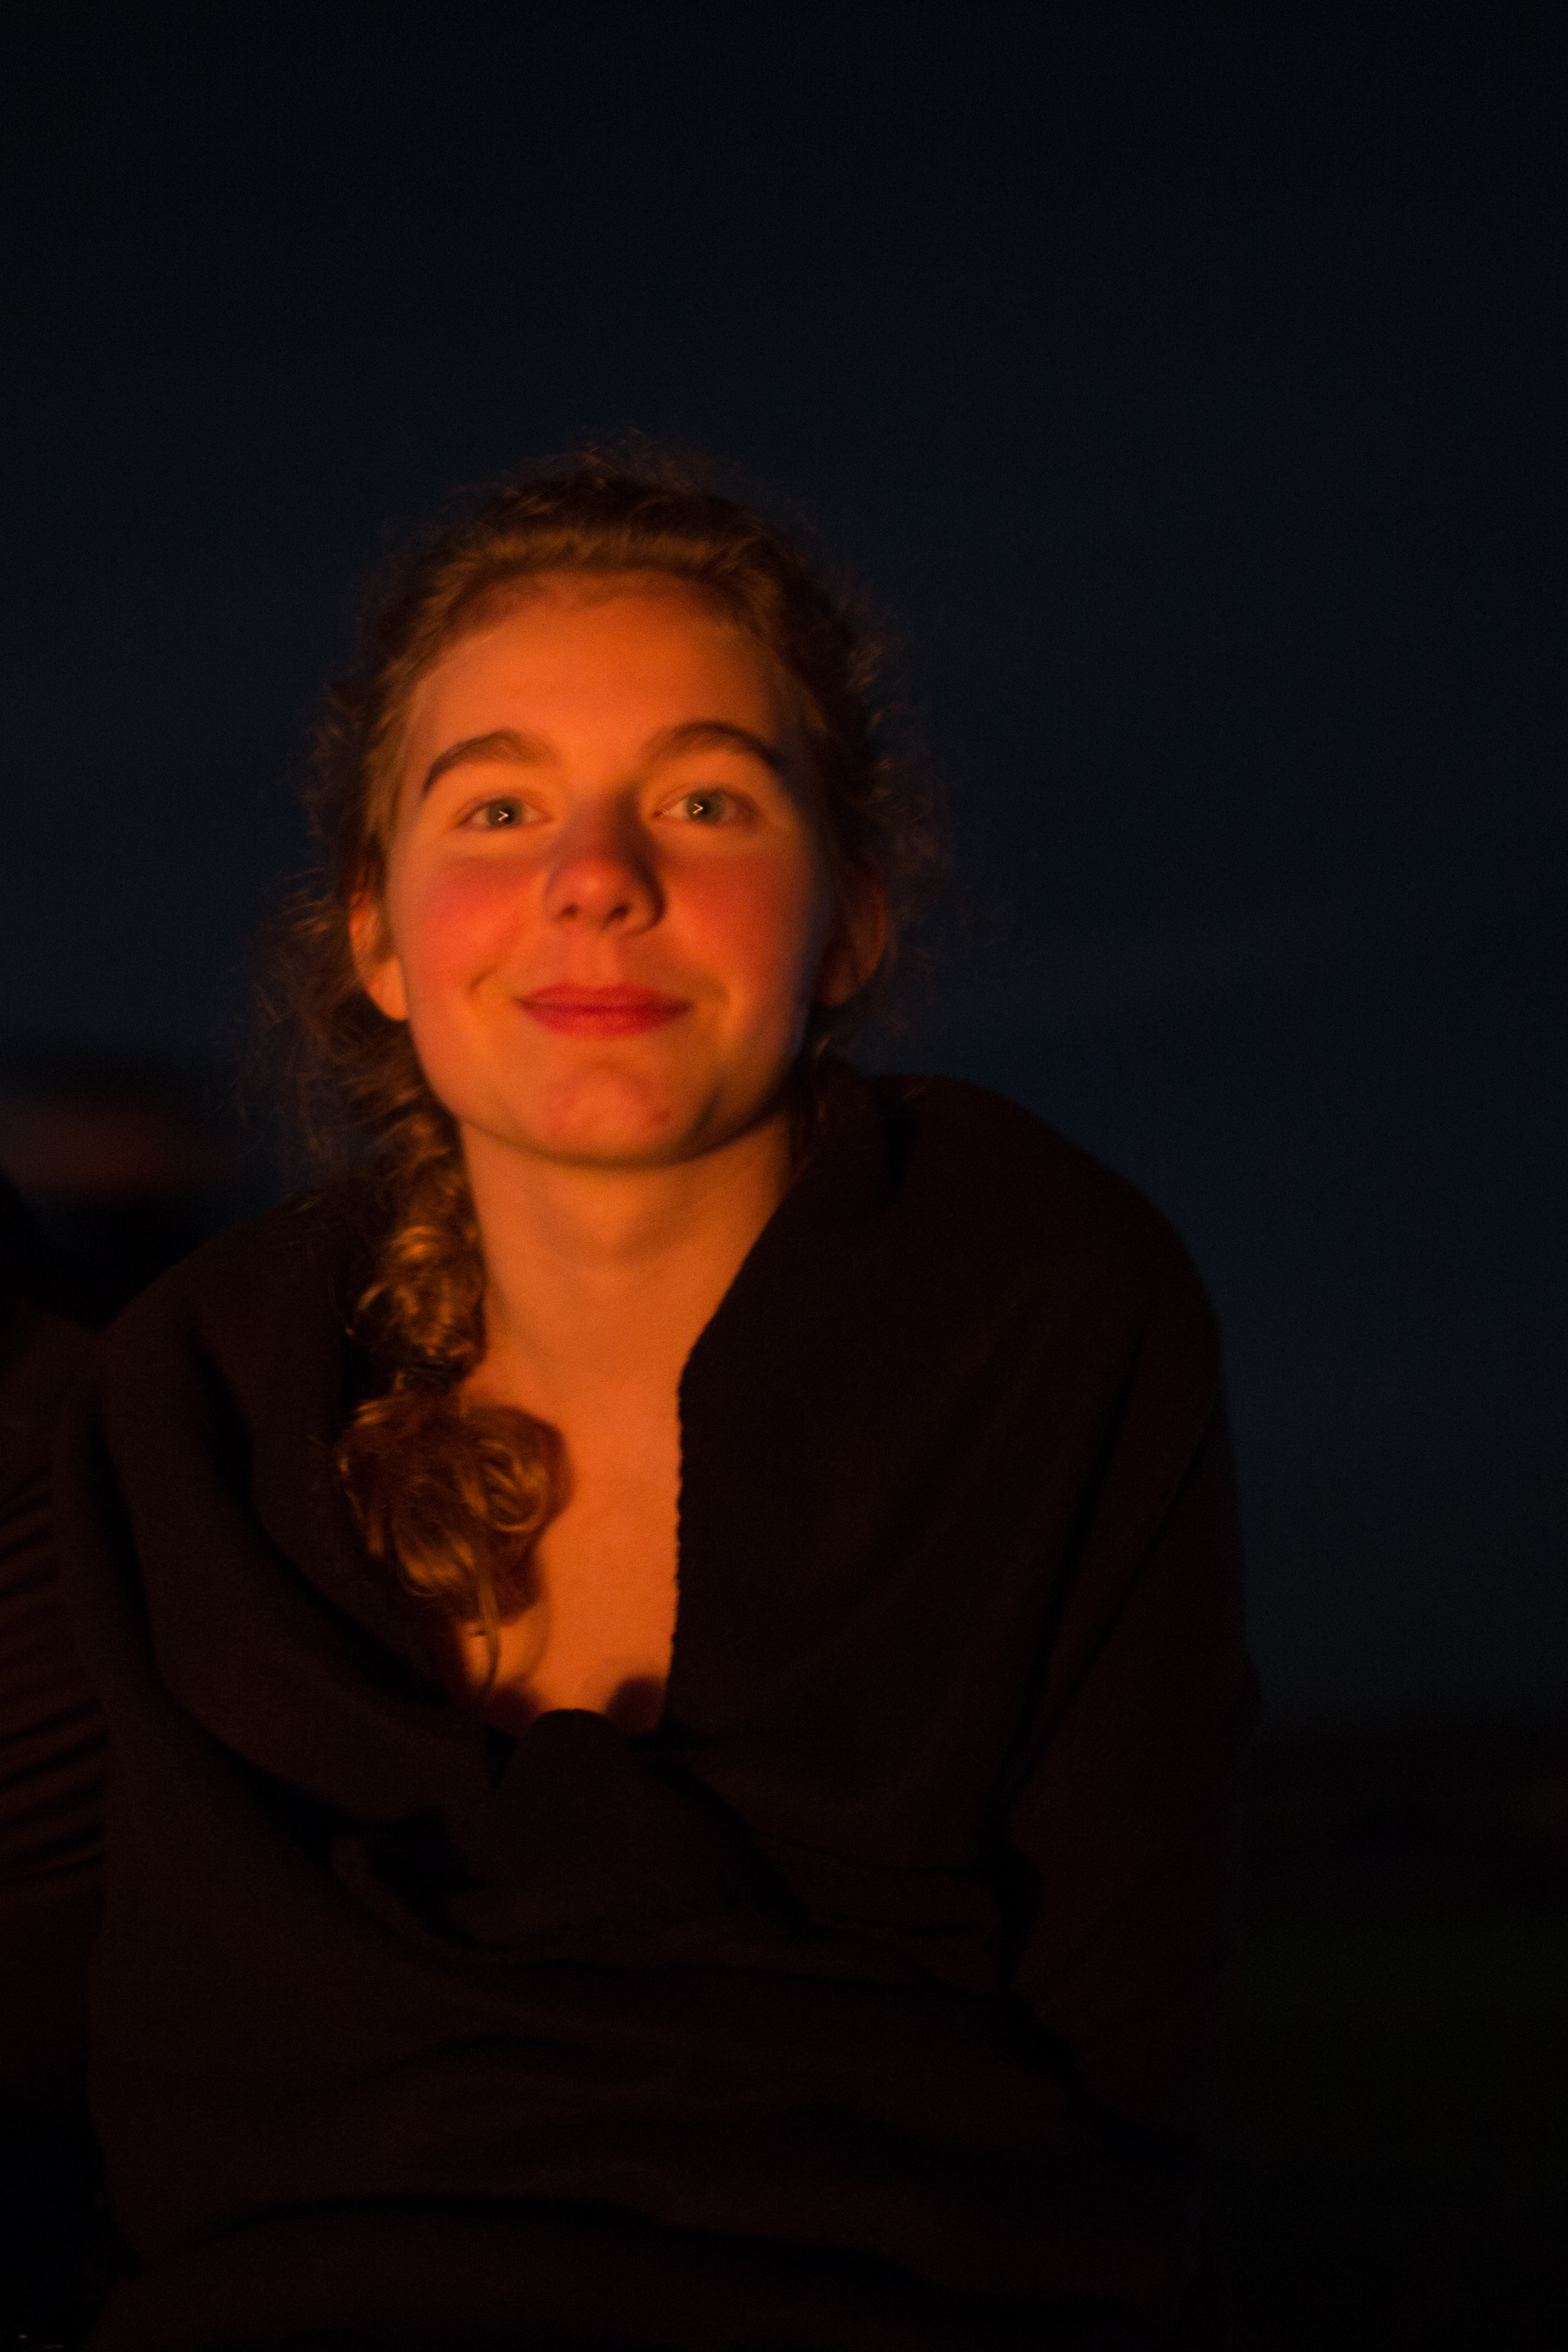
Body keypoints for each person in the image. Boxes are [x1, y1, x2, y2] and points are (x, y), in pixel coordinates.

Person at [55, 454, 1259, 2351]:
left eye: (705, 800)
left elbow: (1122, 2096)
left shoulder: (1049, 1318)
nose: (597, 878)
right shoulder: (196, 1413)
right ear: (377, 936)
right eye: (499, 805)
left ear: (850, 919)